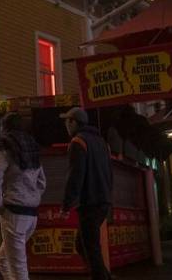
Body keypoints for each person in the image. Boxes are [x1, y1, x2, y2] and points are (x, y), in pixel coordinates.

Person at [0, 112, 46, 280]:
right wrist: (32, 196)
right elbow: (42, 181)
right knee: (4, 260)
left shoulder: (5, 147)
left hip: (13, 213)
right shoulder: (32, 148)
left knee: (19, 268)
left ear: (4, 127)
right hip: (31, 215)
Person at [60, 107, 113, 280]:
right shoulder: (102, 142)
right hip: (103, 201)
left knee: (90, 248)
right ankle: (104, 276)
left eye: (67, 121)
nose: (66, 126)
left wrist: (67, 204)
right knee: (83, 245)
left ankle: (101, 277)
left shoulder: (78, 142)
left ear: (74, 122)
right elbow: (109, 173)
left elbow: (75, 175)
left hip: (89, 202)